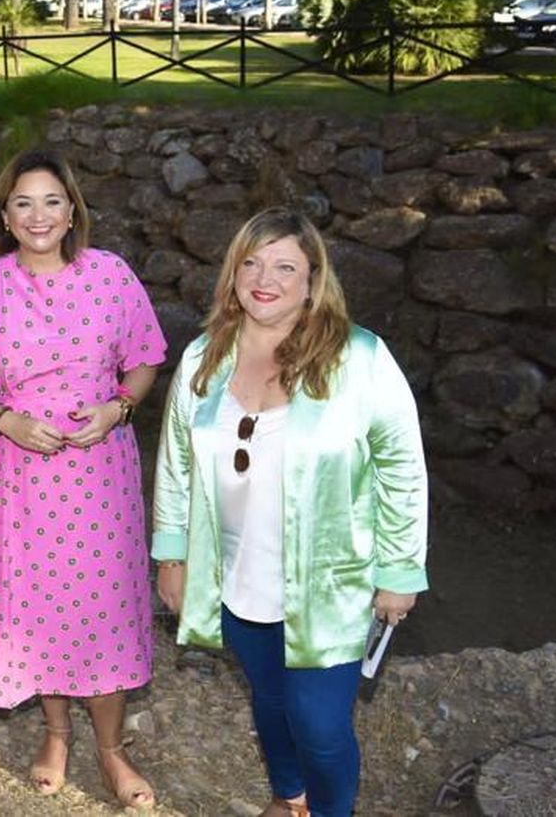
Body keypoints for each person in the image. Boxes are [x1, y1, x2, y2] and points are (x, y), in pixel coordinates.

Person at [151, 207, 428, 817]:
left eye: (284, 265)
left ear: (312, 280)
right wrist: (172, 556)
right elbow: (174, 461)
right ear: (232, 273)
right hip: (236, 571)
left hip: (333, 579)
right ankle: (289, 795)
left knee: (321, 725)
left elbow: (402, 467)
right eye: (250, 262)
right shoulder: (203, 357)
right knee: (270, 699)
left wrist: (400, 572)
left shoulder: (359, 359)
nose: (264, 278)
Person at [0, 148, 166, 809]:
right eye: (23, 203)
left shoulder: (113, 276)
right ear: (4, 215)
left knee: (105, 604)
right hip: (13, 476)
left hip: (98, 477)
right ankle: (57, 732)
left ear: (72, 212)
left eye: (51, 201)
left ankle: (113, 748)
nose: (38, 215)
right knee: (38, 606)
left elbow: (146, 357)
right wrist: (5, 420)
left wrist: (119, 406)